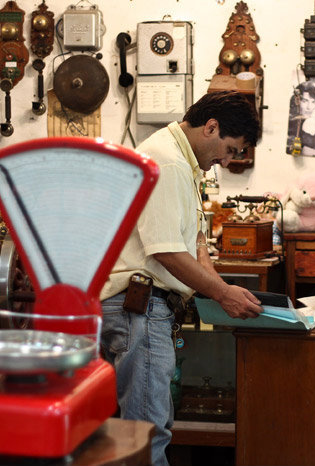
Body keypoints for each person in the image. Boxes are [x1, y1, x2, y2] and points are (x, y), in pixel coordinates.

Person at [100, 90, 263, 466]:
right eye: (231, 149)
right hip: (138, 308)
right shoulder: (168, 162)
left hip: (146, 308)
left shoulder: (181, 162)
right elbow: (167, 251)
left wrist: (220, 290)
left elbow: (195, 243)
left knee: (151, 427)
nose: (227, 160)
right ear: (211, 127)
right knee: (146, 434)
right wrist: (222, 294)